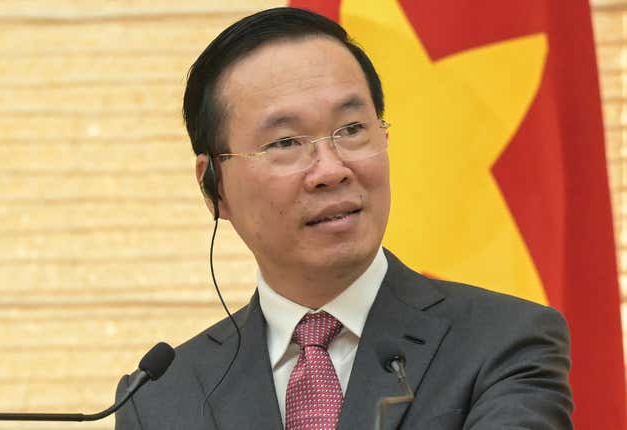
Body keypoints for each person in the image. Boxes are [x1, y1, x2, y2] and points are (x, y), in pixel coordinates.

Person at [115, 7, 572, 430]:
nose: (332, 170)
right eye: (285, 142)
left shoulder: (505, 343)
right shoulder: (161, 399)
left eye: (352, 130)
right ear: (215, 185)